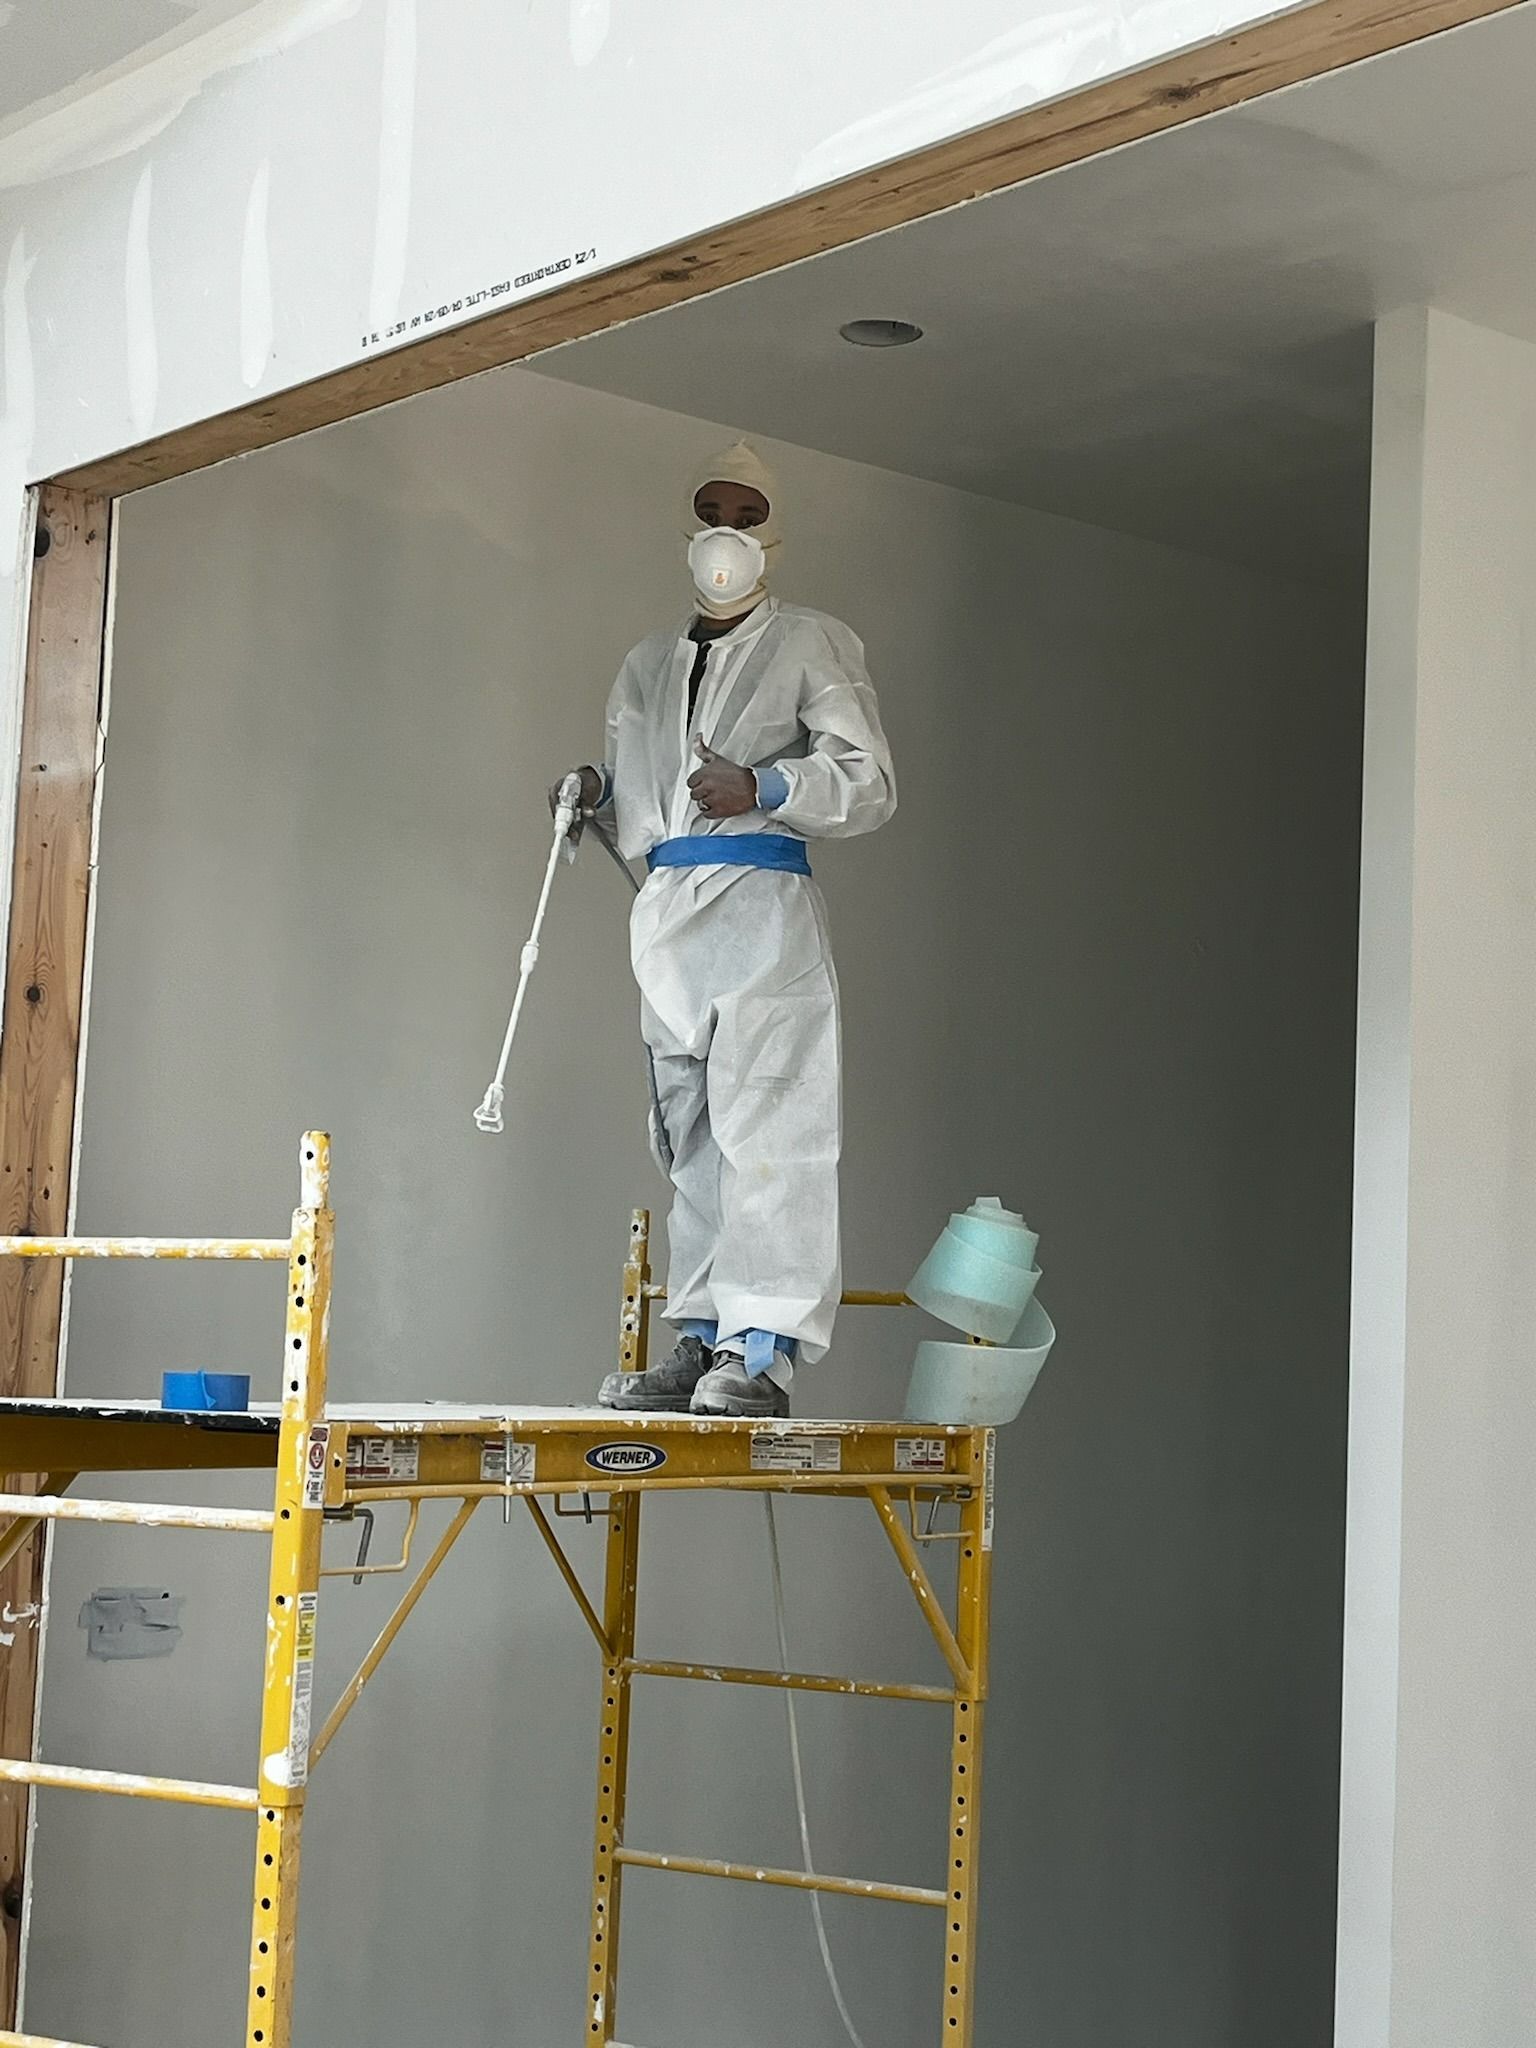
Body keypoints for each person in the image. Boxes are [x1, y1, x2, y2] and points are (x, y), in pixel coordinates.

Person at [554, 442, 895, 1418]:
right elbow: (648, 809)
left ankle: (764, 1349)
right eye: (711, 510)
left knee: (772, 1121)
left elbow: (870, 780)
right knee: (689, 1132)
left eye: (746, 515)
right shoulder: (647, 666)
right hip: (667, 916)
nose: (725, 532)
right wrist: (594, 794)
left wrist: (768, 785)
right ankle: (701, 1336)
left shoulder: (811, 642)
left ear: (772, 536)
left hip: (760, 907)